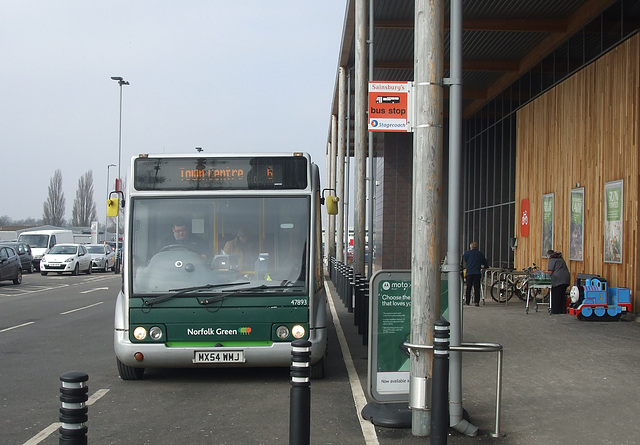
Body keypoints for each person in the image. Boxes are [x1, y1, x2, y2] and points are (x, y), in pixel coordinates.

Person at [463, 241, 489, 306]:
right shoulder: (480, 254)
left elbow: (464, 261)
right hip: (477, 273)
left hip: (469, 272)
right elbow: (485, 263)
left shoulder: (467, 253)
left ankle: (467, 301)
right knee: (477, 288)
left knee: (468, 287)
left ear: (470, 247)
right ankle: (476, 302)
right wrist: (484, 267)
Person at [546, 250, 570, 314]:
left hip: (558, 280)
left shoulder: (552, 259)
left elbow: (550, 270)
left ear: (548, 255)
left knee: (556, 295)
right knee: (562, 295)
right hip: (566, 278)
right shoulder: (560, 258)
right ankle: (562, 309)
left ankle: (556, 310)